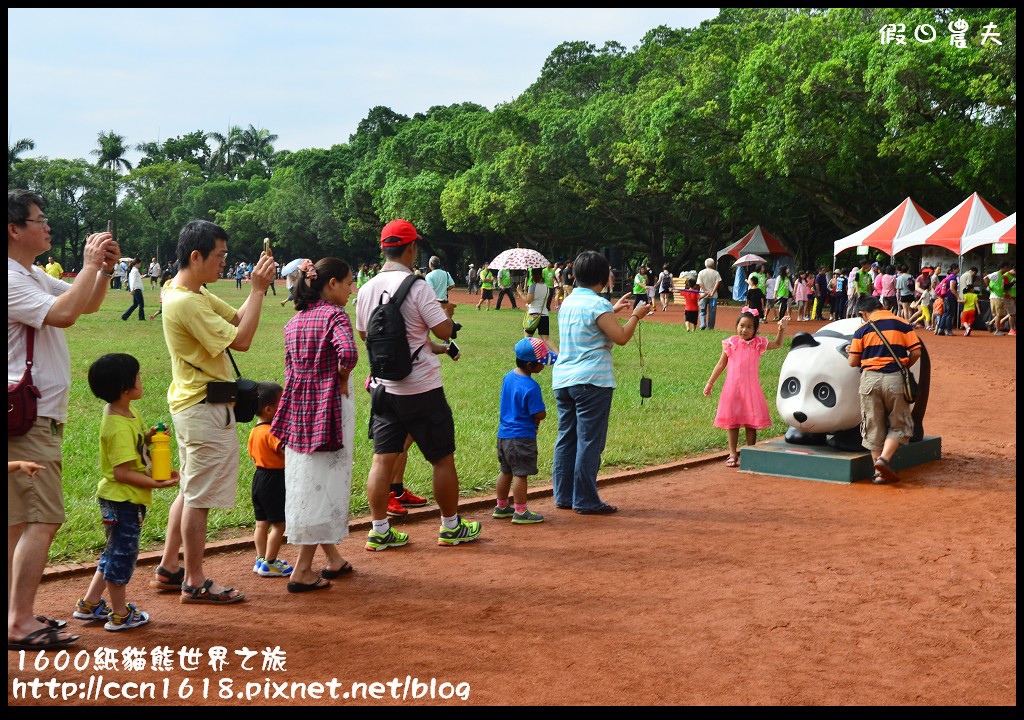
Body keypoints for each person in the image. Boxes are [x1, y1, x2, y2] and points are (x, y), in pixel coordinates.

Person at [8, 188, 120, 650]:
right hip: (29, 417)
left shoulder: (28, 274)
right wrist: (91, 264)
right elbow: (66, 314)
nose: (47, 224)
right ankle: (18, 622)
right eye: (39, 218)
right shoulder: (12, 279)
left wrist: (103, 269)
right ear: (14, 229)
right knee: (43, 518)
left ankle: (17, 613)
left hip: (33, 414)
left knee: (18, 522)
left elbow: (86, 303)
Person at [150, 219, 276, 605]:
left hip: (195, 404)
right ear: (195, 256)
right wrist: (257, 289)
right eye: (219, 256)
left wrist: (255, 293)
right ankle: (194, 579)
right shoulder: (186, 300)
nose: (224, 262)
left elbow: (236, 319)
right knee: (199, 497)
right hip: (203, 407)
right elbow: (243, 340)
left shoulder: (186, 290)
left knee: (191, 490)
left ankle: (171, 566)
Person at [355, 219, 481, 549]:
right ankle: (451, 526)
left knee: (381, 460)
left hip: (383, 388)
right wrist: (448, 313)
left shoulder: (366, 288)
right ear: (411, 248)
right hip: (422, 388)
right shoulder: (418, 286)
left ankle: (380, 530)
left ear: (383, 249)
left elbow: (365, 335)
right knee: (442, 458)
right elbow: (443, 330)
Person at [74, 353, 180, 631]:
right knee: (123, 555)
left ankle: (91, 603)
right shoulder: (117, 425)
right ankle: (120, 614)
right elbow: (121, 472)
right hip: (122, 499)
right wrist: (154, 483)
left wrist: (151, 435)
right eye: (138, 377)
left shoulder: (127, 412)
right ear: (125, 388)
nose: (141, 381)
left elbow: (136, 440)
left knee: (113, 552)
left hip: (125, 499)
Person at [271, 258, 358, 592]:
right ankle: (303, 570)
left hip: (299, 407)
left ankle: (332, 559)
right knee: (323, 483)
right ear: (332, 283)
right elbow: (348, 354)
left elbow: (289, 368)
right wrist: (340, 376)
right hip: (329, 405)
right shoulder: (334, 316)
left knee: (307, 478)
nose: (351, 290)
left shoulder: (294, 322)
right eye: (349, 283)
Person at [551, 250, 653, 515]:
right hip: (592, 381)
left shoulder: (569, 302)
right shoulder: (597, 305)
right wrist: (636, 315)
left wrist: (613, 309)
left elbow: (591, 325)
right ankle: (585, 499)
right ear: (603, 276)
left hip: (563, 379)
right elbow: (620, 337)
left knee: (567, 437)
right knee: (589, 440)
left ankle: (563, 495)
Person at [846, 295, 923, 484]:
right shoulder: (902, 323)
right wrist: (904, 365)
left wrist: (852, 351)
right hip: (896, 379)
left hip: (869, 381)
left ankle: (878, 472)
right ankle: (884, 460)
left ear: (863, 313)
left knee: (873, 424)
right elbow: (916, 351)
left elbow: (853, 362)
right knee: (900, 423)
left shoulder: (862, 329)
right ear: (882, 306)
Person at [703, 310, 788, 467]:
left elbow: (777, 344)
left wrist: (781, 329)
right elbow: (721, 364)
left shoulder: (758, 344)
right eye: (741, 326)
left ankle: (750, 451)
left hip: (751, 390)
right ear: (736, 326)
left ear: (755, 330)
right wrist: (710, 382)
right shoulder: (731, 343)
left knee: (751, 422)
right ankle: (733, 453)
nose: (744, 330)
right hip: (732, 389)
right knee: (732, 422)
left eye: (749, 327)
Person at [491, 338, 548, 525]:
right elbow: (539, 412)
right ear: (531, 365)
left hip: (504, 435)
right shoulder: (531, 387)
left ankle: (501, 507)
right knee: (520, 474)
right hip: (522, 437)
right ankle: (520, 511)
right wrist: (543, 413)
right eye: (542, 362)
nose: (544, 365)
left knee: (505, 470)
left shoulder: (508, 376)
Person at [247, 381, 293, 579]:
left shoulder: (254, 431)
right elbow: (286, 452)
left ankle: (261, 559)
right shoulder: (273, 431)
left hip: (259, 477)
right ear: (269, 409)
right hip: (275, 479)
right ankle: (271, 563)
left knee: (261, 523)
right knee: (279, 525)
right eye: (281, 405)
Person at [523, 266, 556, 352]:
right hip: (544, 314)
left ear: (533, 275)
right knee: (546, 339)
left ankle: (526, 355)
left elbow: (528, 301)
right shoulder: (546, 287)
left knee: (527, 337)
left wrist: (519, 291)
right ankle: (559, 354)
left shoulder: (533, 286)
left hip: (533, 314)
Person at [696, 258, 723, 330]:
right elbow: (717, 283)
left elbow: (700, 283)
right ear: (713, 265)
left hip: (703, 295)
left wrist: (705, 291)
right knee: (712, 312)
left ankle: (703, 324)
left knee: (702, 310)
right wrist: (712, 292)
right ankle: (710, 327)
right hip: (713, 296)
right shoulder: (716, 273)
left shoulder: (701, 272)